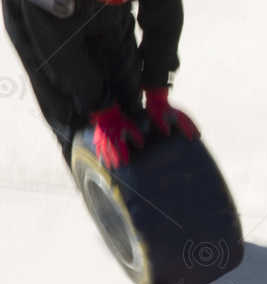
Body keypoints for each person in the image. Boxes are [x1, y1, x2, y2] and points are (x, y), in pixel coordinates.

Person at [3, 0, 194, 164]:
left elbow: (164, 14)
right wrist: (102, 111)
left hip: (99, 14)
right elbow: (62, 57)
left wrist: (157, 88)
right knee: (80, 123)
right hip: (41, 23)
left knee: (129, 100)